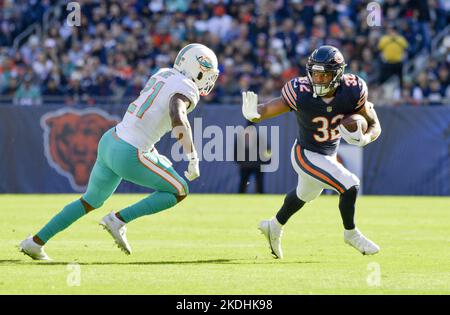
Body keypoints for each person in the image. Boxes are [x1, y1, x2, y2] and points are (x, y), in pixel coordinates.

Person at [19, 43, 219, 260]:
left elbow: (148, 114)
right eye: (207, 72)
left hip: (110, 140)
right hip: (130, 152)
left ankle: (35, 242)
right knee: (179, 189)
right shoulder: (186, 87)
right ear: (196, 67)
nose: (208, 79)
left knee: (89, 201)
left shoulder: (163, 73)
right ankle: (119, 219)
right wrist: (192, 156)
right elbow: (177, 115)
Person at [242, 45, 381, 259]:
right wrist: (255, 114)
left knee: (303, 195)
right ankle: (351, 233)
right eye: (315, 74)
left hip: (328, 154)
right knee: (350, 184)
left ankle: (273, 226)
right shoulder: (301, 91)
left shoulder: (353, 90)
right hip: (305, 153)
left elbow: (375, 125)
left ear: (337, 74)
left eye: (324, 75)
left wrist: (365, 138)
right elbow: (270, 108)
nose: (318, 79)